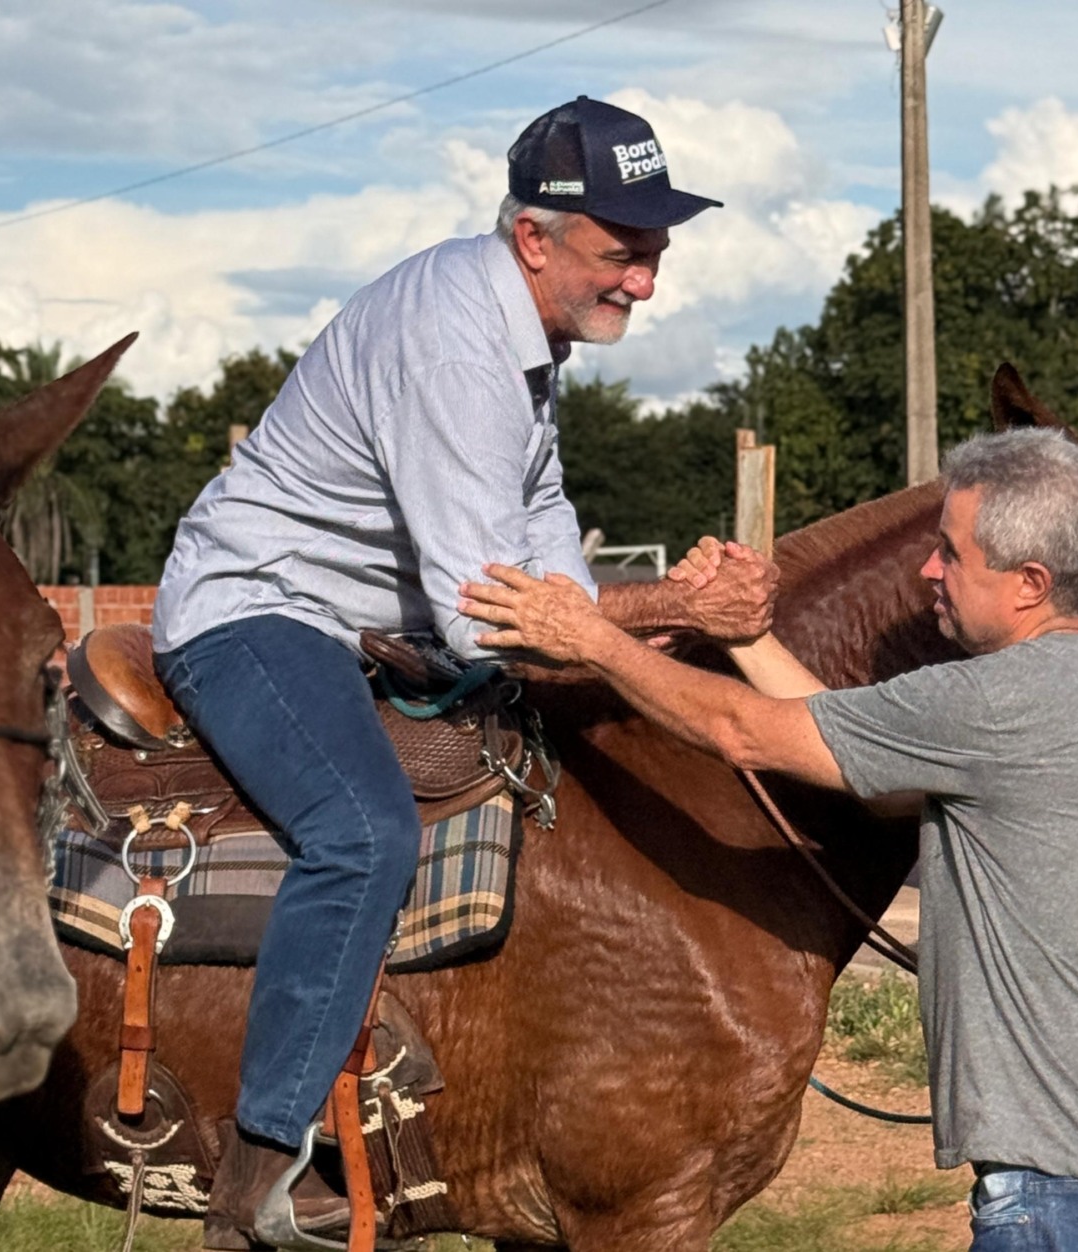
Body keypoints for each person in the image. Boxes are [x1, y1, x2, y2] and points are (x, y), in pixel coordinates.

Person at [151, 96, 777, 1244]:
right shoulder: (454, 338)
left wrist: (632, 626)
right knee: (365, 831)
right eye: (622, 252)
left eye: (656, 253)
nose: (645, 280)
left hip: (370, 625)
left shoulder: (531, 340)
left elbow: (541, 535)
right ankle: (260, 1168)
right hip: (260, 609)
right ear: (534, 237)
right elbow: (490, 613)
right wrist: (678, 607)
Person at [458, 428, 1078, 1252]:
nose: (929, 572)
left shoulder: (993, 701)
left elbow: (740, 733)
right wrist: (747, 637)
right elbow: (869, 766)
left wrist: (590, 639)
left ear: (1031, 583)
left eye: (952, 555)